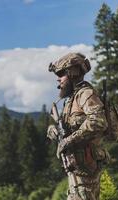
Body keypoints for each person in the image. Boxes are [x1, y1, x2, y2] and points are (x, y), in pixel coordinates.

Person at [47, 53, 110, 200]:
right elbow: (67, 128)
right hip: (76, 170)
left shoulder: (85, 94)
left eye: (61, 74)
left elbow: (98, 121)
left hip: (86, 170)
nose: (58, 78)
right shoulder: (71, 100)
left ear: (72, 73)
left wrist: (68, 141)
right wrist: (54, 131)